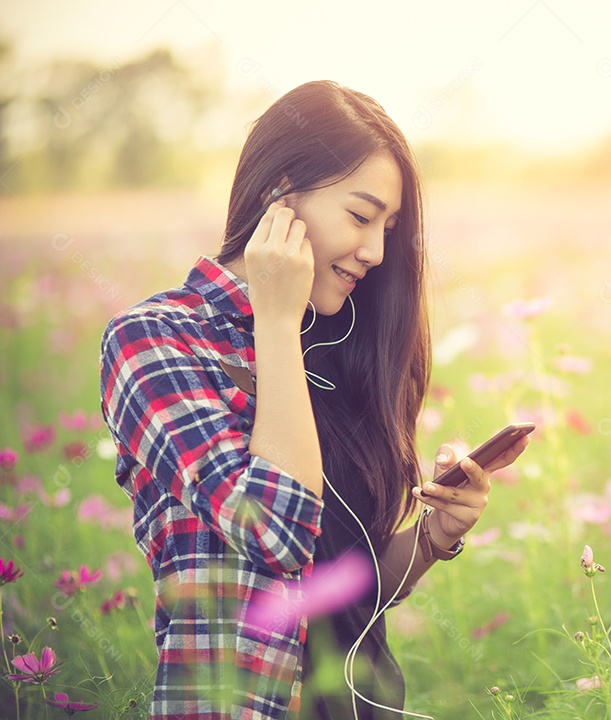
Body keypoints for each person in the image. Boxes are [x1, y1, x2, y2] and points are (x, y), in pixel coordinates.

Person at [98, 80, 529, 720]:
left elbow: (343, 591)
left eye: (388, 227)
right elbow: (274, 532)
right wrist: (275, 324)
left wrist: (433, 538)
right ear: (279, 193)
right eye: (360, 216)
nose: (376, 252)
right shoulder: (156, 340)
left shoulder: (342, 343)